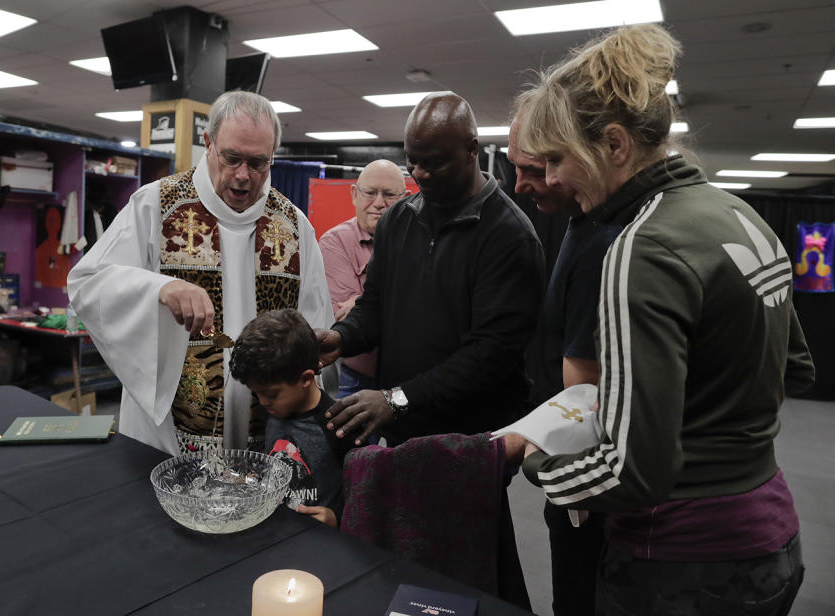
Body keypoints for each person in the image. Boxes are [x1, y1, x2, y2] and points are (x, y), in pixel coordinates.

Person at [512, 24, 815, 615]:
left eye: (558, 161)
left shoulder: (643, 246)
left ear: (616, 146)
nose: (549, 181)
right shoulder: (738, 212)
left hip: (684, 560)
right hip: (771, 533)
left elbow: (634, 473)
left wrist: (537, 462)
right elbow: (795, 369)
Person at [68, 91, 334, 455]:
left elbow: (315, 325)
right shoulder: (155, 205)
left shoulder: (293, 226)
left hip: (268, 427)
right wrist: (160, 288)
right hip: (171, 432)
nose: (243, 176)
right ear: (208, 143)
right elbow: (87, 283)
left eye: (258, 163)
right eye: (232, 158)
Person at [316, 92, 546, 446]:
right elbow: (375, 306)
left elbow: (488, 358)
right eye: (413, 161)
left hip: (471, 441)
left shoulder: (509, 235)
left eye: (435, 162)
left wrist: (396, 399)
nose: (420, 173)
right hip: (403, 431)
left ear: (471, 150)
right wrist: (341, 337)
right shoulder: (397, 219)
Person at [508, 114, 621, 616]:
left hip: (592, 484)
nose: (527, 183)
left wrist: (524, 446)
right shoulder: (581, 227)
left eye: (543, 165)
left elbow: (586, 393)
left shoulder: (601, 242)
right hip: (582, 479)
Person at [229, 309, 356, 528]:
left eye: (270, 394)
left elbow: (363, 494)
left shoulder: (341, 424)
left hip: (319, 544)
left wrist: (338, 517)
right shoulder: (273, 410)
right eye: (255, 393)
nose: (262, 402)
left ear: (306, 378)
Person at [318, 159, 408, 398]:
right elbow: (346, 315)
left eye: (389, 194)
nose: (379, 203)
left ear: (406, 198)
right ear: (354, 194)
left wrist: (361, 300)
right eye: (370, 193)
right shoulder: (334, 242)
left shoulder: (418, 242)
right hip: (355, 380)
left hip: (406, 379)